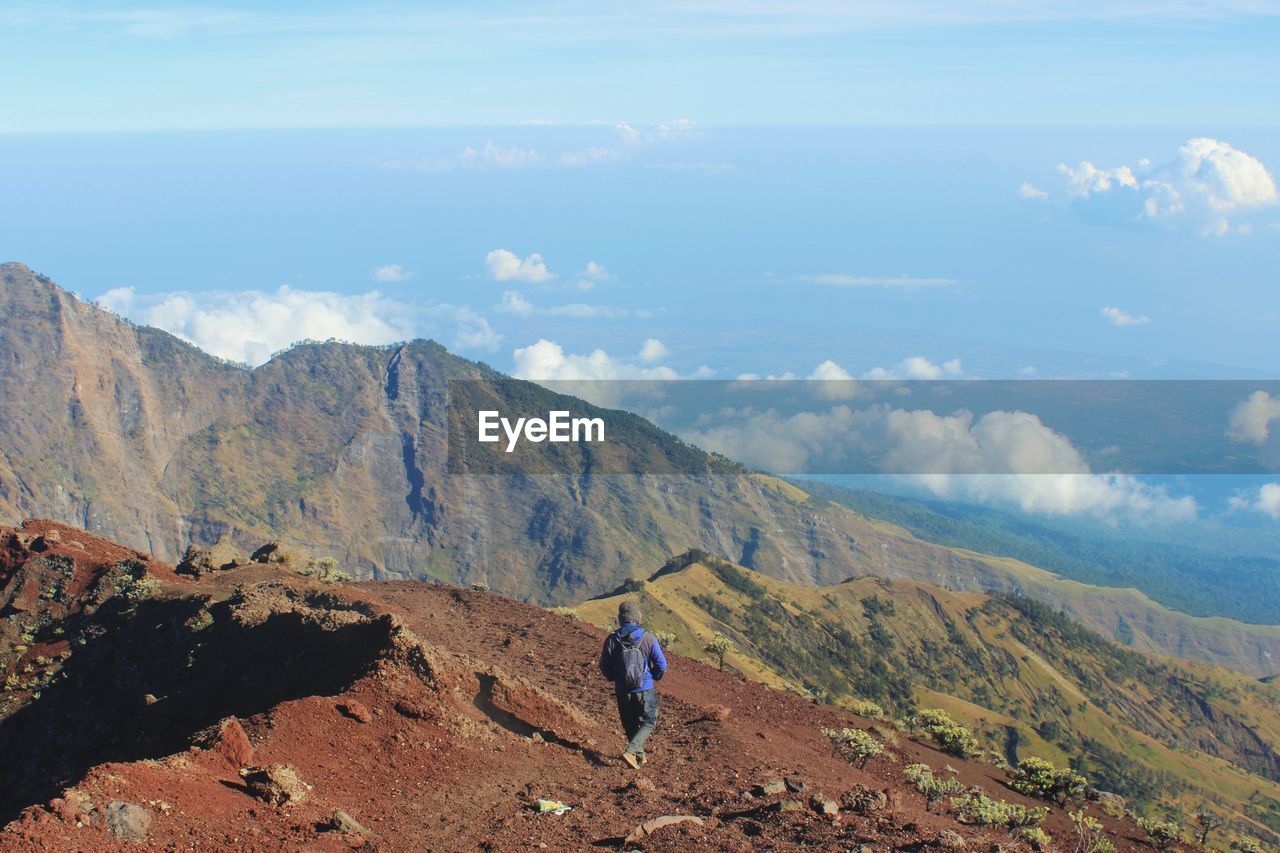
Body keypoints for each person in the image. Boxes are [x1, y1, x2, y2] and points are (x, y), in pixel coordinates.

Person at [599, 600, 667, 769]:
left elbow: (604, 665)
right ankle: (631, 752)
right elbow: (661, 665)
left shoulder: (612, 640)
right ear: (637, 618)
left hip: (622, 690)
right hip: (645, 689)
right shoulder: (648, 638)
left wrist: (614, 678)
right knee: (649, 721)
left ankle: (639, 755)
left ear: (621, 619)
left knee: (629, 723)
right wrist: (653, 677)